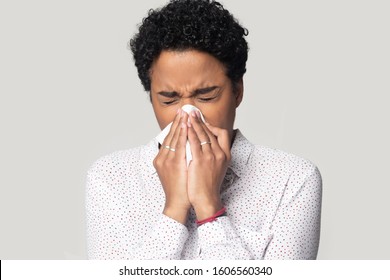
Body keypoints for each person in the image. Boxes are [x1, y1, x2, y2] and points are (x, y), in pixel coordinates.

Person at [86, 0, 322, 260]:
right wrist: (174, 210)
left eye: (207, 96)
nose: (188, 115)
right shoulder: (109, 178)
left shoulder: (292, 179)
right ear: (151, 98)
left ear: (238, 91)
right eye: (169, 99)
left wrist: (210, 209)